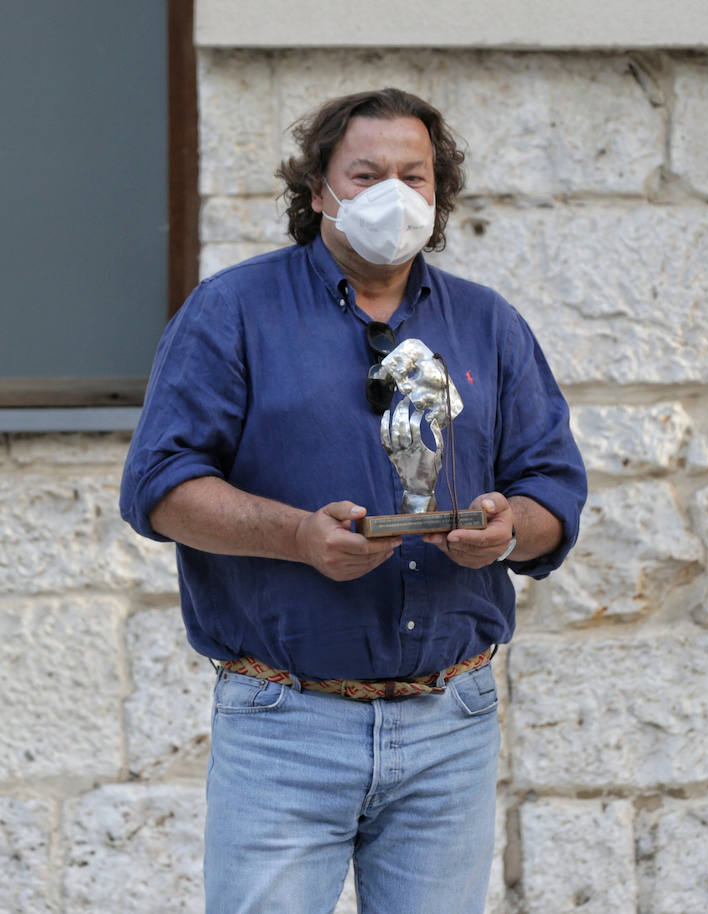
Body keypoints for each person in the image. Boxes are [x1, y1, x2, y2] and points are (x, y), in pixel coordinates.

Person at [121, 88, 587, 914]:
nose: (393, 196)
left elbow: (553, 488)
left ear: (439, 197)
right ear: (317, 192)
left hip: (452, 721)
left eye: (414, 176)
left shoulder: (490, 325)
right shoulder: (232, 312)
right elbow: (159, 488)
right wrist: (299, 536)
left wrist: (510, 530)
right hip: (284, 723)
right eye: (366, 174)